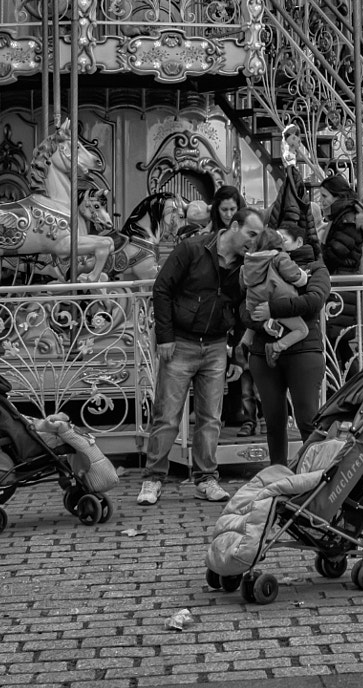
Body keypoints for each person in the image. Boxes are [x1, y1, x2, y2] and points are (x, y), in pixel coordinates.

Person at [137, 208, 247, 505]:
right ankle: (153, 478)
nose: (254, 241)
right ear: (234, 227)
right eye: (251, 234)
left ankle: (206, 478)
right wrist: (165, 336)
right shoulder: (193, 248)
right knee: (167, 415)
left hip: (216, 344)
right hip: (182, 341)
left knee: (211, 418)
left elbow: (243, 310)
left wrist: (235, 352)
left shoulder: (246, 265)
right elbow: (162, 289)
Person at [238, 210, 330, 468]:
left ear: (299, 243)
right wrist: (261, 320)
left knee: (307, 418)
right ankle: (277, 472)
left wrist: (272, 310)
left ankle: (315, 473)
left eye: (284, 239)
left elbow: (313, 302)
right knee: (274, 420)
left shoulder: (315, 267)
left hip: (303, 352)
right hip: (263, 350)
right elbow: (243, 308)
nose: (278, 244)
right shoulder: (265, 262)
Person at [240, 220, 311, 365]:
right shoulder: (278, 257)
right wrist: (303, 277)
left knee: (256, 320)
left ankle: (244, 342)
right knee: (302, 330)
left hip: (254, 303)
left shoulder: (249, 261)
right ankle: (276, 347)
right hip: (278, 301)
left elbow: (243, 283)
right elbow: (293, 275)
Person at [318, 172, 363, 276]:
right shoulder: (341, 216)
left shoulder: (348, 220)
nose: (321, 200)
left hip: (342, 280)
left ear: (338, 197)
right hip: (340, 277)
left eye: (324, 196)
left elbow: (335, 254)